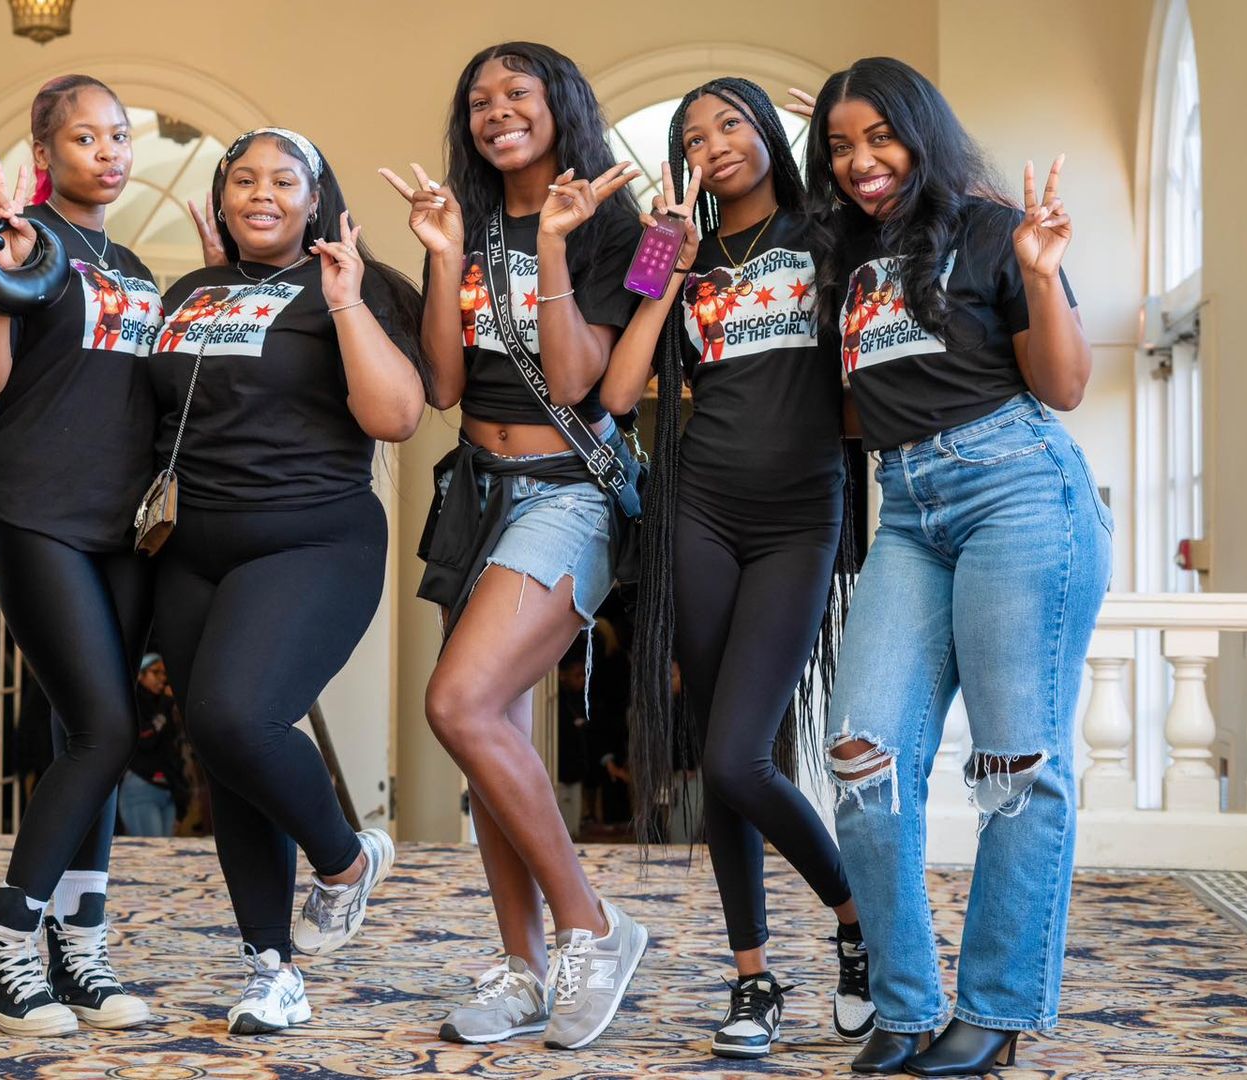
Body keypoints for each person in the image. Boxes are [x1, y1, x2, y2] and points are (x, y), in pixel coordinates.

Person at [796, 57, 1110, 1075]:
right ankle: (904, 1005)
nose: (861, 162)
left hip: (1019, 488)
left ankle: (997, 1008)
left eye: (881, 136)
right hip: (910, 510)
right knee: (863, 757)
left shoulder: (988, 229)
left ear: (923, 132)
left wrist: (1037, 266)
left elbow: (1062, 386)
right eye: (841, 146)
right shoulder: (844, 253)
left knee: (1017, 766)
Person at [591, 77, 872, 1060]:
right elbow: (620, 392)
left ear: (768, 130)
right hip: (699, 508)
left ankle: (852, 918)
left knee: (735, 757)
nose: (717, 142)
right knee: (720, 763)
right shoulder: (678, 253)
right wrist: (665, 262)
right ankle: (753, 976)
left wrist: (841, 106)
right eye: (695, 133)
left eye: (733, 122)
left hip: (801, 516)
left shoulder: (826, 232)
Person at [383, 41, 647, 1050]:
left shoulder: (612, 220)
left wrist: (549, 248)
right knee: (488, 732)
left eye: (517, 93)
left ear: (559, 104)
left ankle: (589, 925)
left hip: (567, 491)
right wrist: (444, 254)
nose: (498, 110)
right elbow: (445, 387)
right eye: (480, 99)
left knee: (456, 702)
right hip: (476, 492)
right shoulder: (465, 216)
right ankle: (525, 967)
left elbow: (585, 381)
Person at [147, 127, 426, 1035]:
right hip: (196, 550)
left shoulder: (353, 283)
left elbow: (396, 418)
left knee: (239, 715)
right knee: (224, 758)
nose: (260, 192)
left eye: (283, 180)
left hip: (313, 541)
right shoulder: (191, 291)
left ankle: (346, 862)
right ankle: (271, 968)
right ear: (223, 198)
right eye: (242, 179)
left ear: (316, 199)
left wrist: (344, 302)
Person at [0, 74, 166, 1038]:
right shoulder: (22, 240)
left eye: (120, 136)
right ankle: (8, 940)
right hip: (37, 511)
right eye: (86, 138)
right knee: (105, 728)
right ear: (46, 154)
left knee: (93, 739)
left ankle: (80, 946)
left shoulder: (134, 266)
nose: (109, 152)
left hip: (122, 527)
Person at [119, 654, 188, 838]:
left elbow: (173, 748)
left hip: (168, 789)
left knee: (165, 859)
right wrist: (165, 706)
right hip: (142, 785)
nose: (162, 678)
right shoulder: (132, 702)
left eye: (164, 673)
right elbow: (145, 740)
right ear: (140, 675)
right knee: (149, 856)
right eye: (155, 672)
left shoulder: (164, 704)